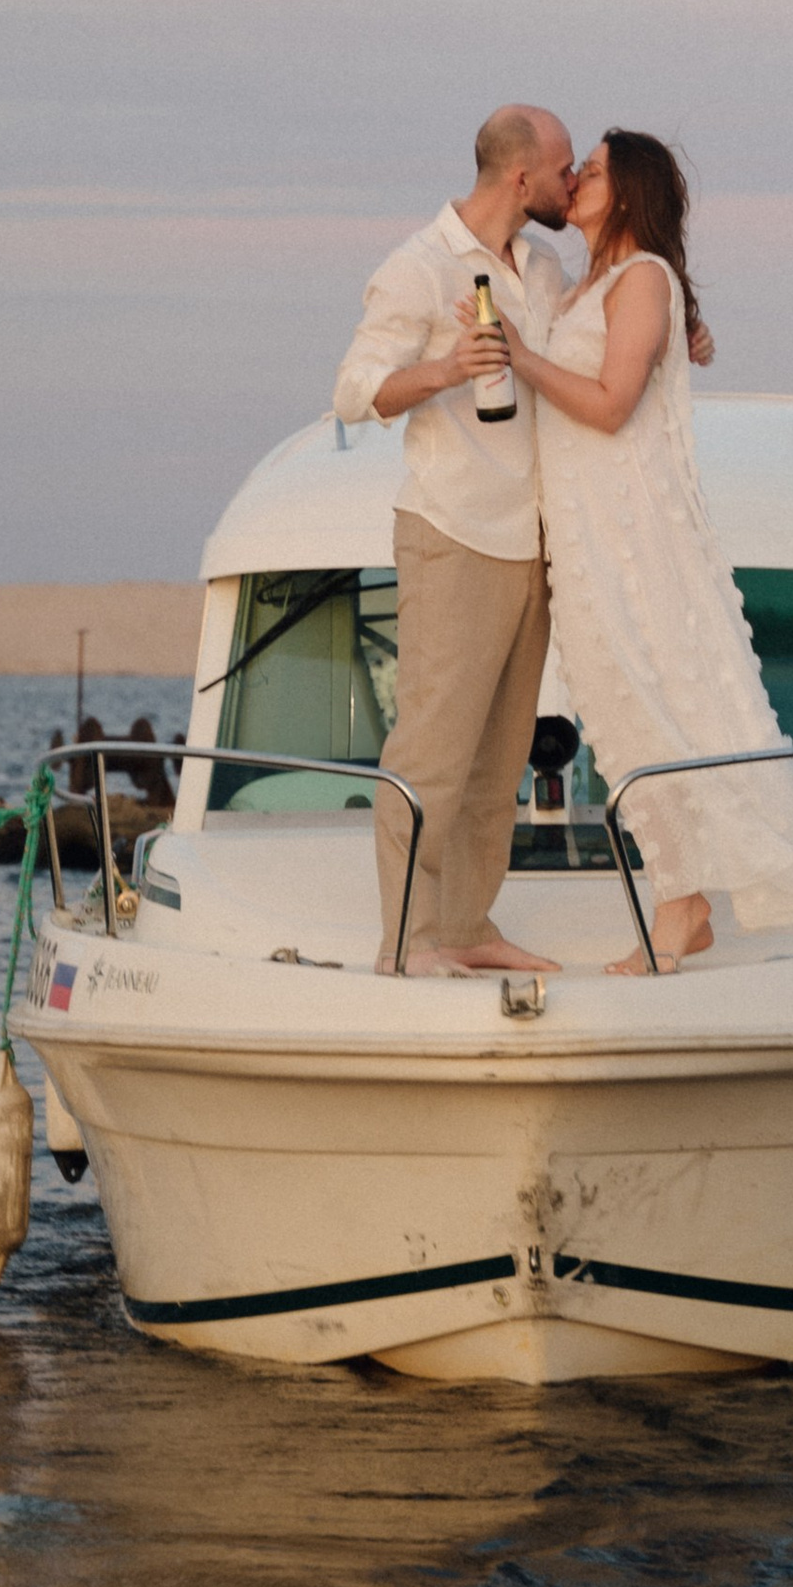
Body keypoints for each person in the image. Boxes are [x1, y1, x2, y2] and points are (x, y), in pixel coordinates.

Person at [499, 130, 793, 972]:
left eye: (593, 168)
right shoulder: (591, 282)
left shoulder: (643, 278)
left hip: (631, 530)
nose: (578, 175)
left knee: (661, 704)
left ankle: (682, 909)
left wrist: (520, 360)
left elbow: (615, 401)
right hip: (585, 533)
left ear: (627, 192)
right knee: (623, 717)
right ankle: (680, 896)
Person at [331, 106, 579, 977]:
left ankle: (467, 922)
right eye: (563, 169)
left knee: (499, 752)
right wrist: (447, 367)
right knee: (432, 747)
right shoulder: (421, 267)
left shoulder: (545, 267)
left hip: (530, 538)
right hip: (452, 529)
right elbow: (355, 391)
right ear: (522, 178)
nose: (572, 182)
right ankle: (405, 941)